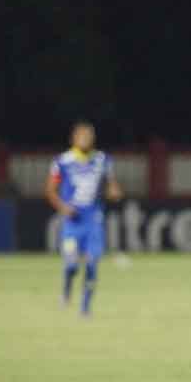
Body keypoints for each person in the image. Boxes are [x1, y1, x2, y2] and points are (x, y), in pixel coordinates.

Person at [44, 121, 122, 316]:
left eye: (89, 136)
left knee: (92, 263)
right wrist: (63, 207)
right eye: (82, 136)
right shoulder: (62, 161)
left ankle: (85, 308)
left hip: (93, 221)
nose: (86, 139)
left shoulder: (103, 160)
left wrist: (114, 192)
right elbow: (50, 191)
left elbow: (112, 186)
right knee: (71, 264)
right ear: (74, 138)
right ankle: (67, 289)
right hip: (72, 222)